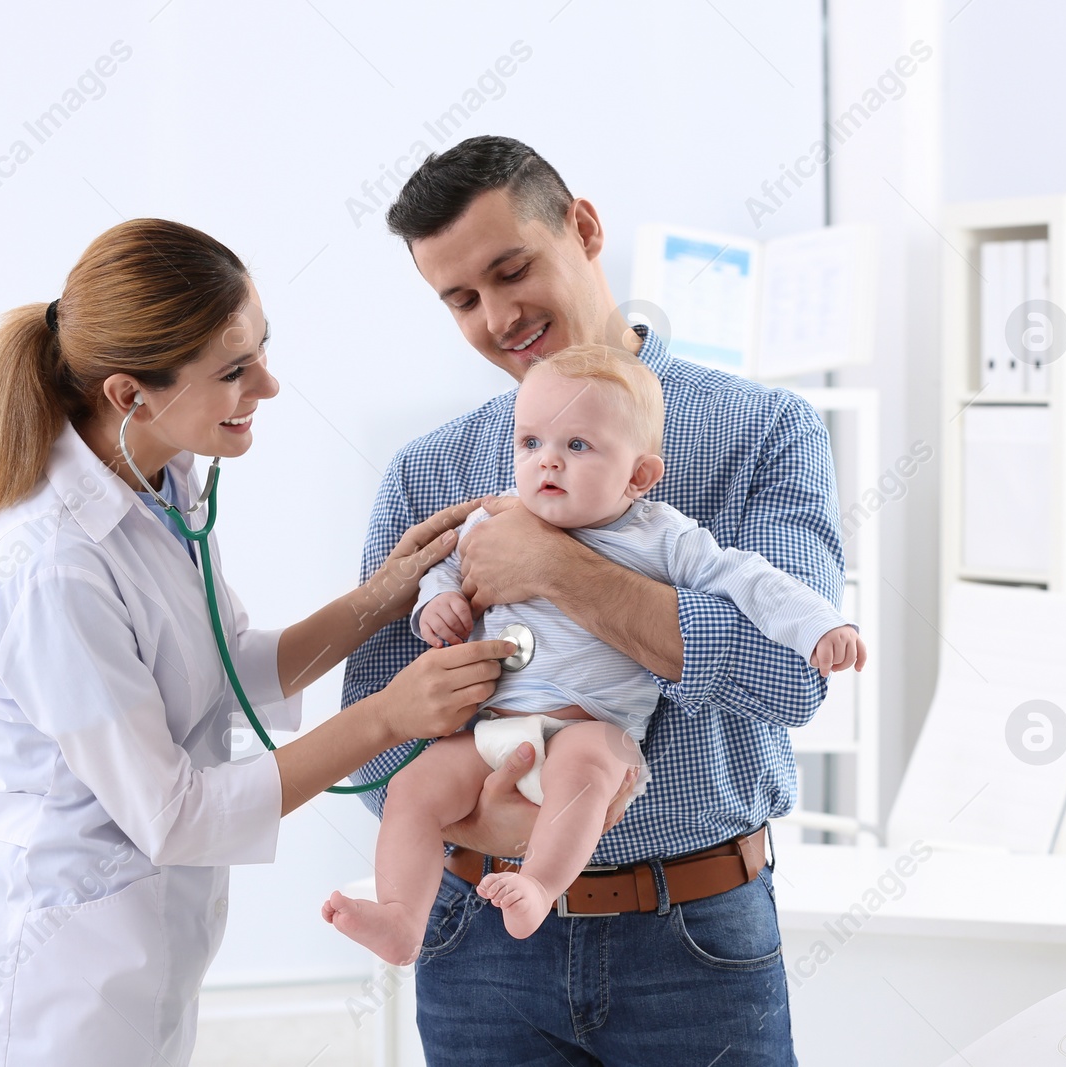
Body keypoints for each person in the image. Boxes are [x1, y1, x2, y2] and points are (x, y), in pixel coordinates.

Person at [0, 217, 514, 1067]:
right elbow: (172, 813)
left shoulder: (160, 482)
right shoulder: (53, 567)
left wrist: (384, 597)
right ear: (131, 394)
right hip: (57, 992)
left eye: (262, 350)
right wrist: (391, 717)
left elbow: (225, 666)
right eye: (234, 370)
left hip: (144, 962)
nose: (269, 386)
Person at [342, 136, 847, 1065]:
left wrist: (556, 567)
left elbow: (792, 678)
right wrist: (485, 815)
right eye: (461, 299)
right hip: (478, 943)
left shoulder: (761, 433)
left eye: (511, 268)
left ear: (583, 227)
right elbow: (378, 727)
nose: (498, 314)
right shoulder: (431, 473)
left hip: (692, 938)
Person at [324, 343, 863, 962]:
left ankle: (539, 884)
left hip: (589, 730)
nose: (547, 461)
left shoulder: (661, 535)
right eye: (530, 444)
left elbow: (750, 579)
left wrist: (821, 625)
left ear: (638, 476)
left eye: (577, 447)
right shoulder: (491, 520)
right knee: (414, 786)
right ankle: (401, 917)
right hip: (495, 733)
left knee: (586, 769)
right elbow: (442, 573)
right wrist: (435, 606)